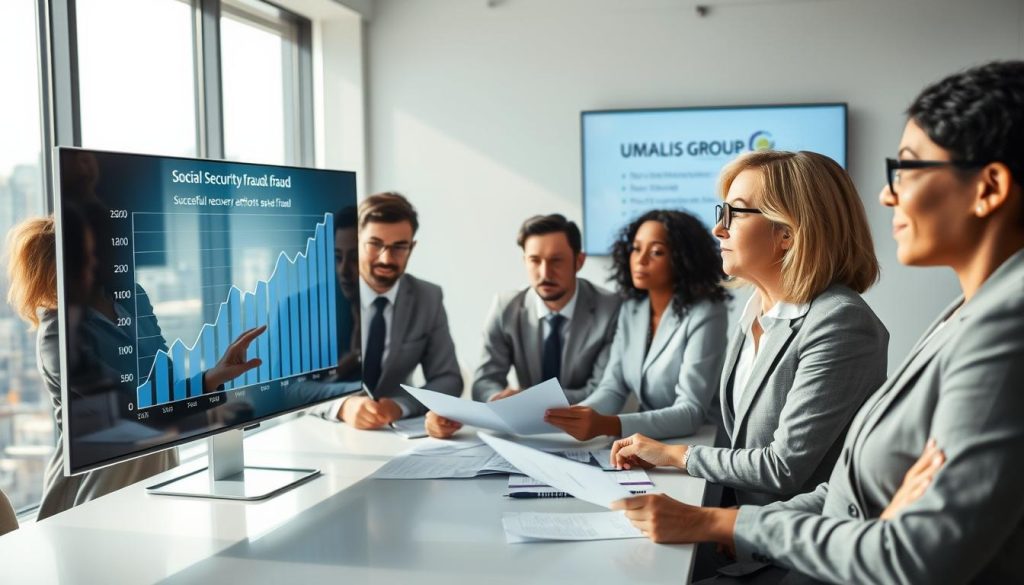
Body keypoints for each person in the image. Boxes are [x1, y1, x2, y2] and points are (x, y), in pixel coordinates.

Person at [611, 61, 1024, 584]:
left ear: (988, 188)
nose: (887, 194)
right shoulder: (964, 313)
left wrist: (718, 521)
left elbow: (915, 549)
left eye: (909, 168)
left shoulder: (1002, 327)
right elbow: (857, 487)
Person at [6, 209, 264, 520]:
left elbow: (163, 382)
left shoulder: (133, 298)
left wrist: (214, 376)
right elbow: (128, 407)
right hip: (99, 485)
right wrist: (208, 392)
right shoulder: (57, 333)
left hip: (156, 462)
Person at [426, 214, 619, 439]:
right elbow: (485, 381)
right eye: (535, 260)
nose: (545, 273)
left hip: (588, 435)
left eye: (556, 260)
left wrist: (527, 400)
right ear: (524, 261)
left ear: (579, 261)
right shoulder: (505, 307)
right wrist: (498, 399)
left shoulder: (610, 309)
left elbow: (601, 390)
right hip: (524, 436)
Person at [543, 209, 729, 441]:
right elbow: (613, 388)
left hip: (697, 443)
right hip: (646, 440)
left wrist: (609, 424)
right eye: (636, 248)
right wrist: (574, 417)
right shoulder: (632, 309)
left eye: (656, 252)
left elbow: (691, 412)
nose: (640, 260)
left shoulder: (707, 312)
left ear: (682, 259)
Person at [311, 192, 462, 428]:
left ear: (412, 247)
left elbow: (448, 379)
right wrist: (343, 406)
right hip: (323, 431)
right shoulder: (321, 300)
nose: (386, 258)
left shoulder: (428, 297)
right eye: (375, 244)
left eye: (399, 247)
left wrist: (400, 406)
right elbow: (292, 389)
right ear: (357, 242)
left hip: (395, 434)